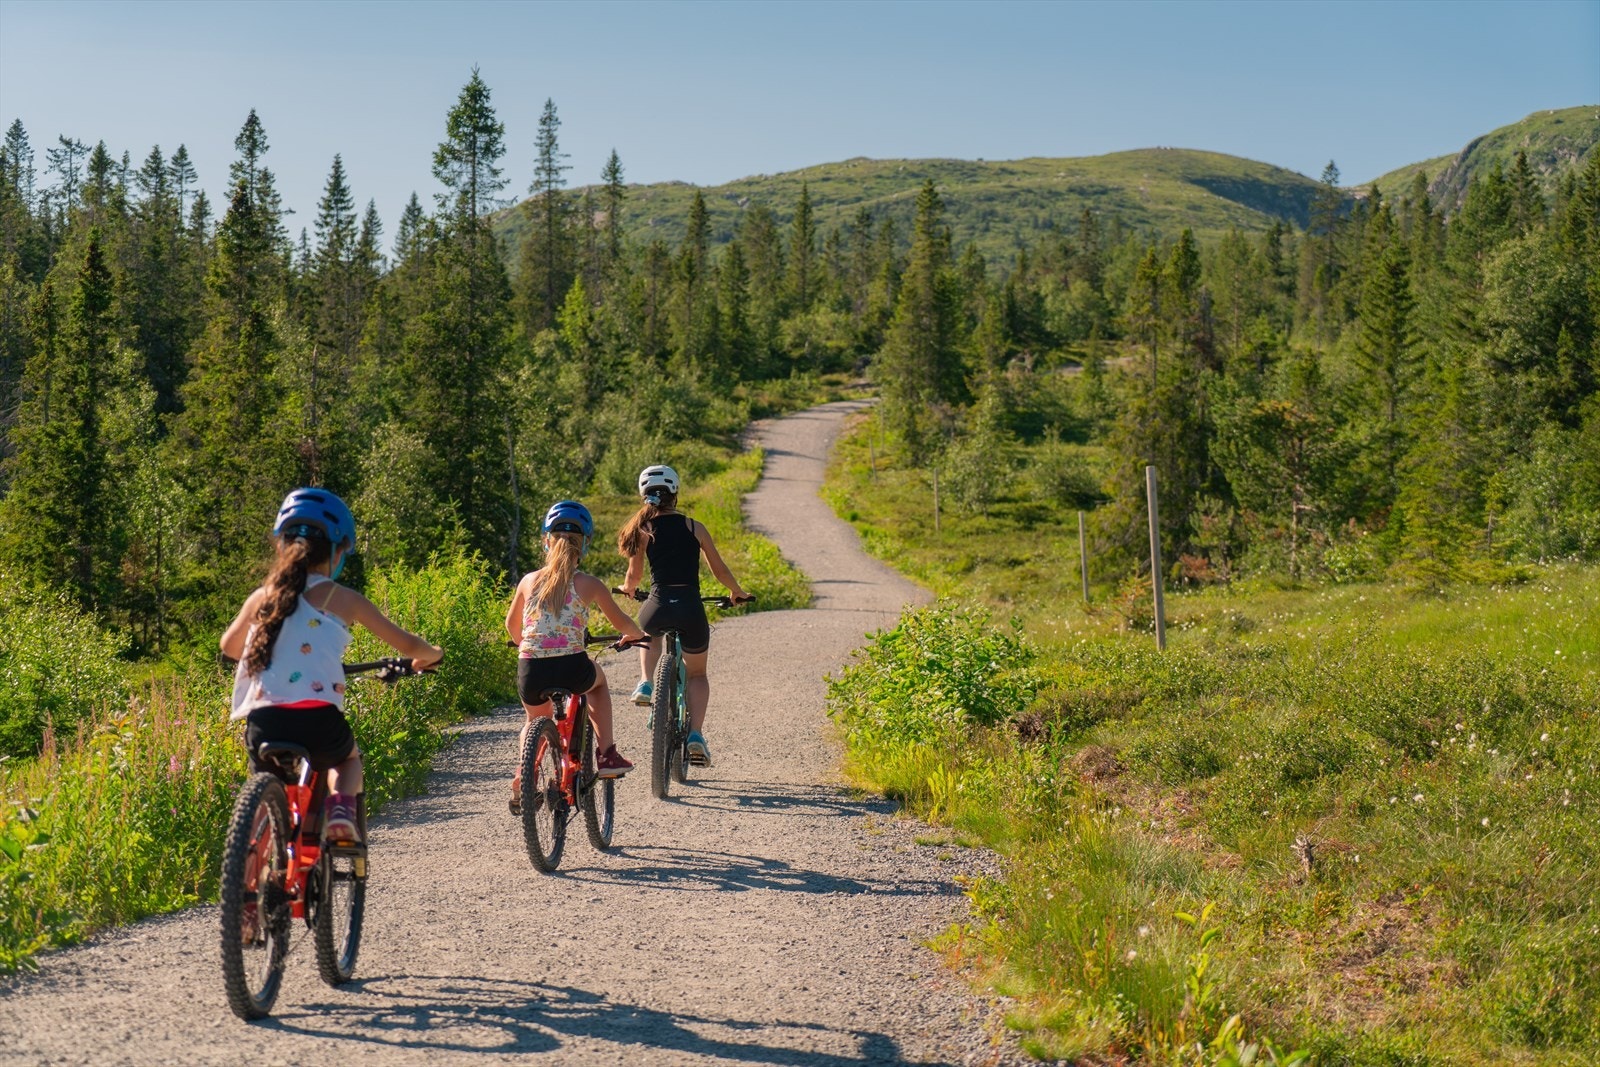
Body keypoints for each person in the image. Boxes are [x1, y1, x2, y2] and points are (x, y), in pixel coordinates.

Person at [221, 488, 443, 845]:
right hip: (318, 721)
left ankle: (259, 864)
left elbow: (229, 647)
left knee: (269, 792)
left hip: (264, 721)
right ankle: (340, 810)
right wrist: (431, 653)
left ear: (281, 545)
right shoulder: (343, 599)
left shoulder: (263, 597)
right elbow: (408, 645)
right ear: (339, 551)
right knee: (347, 761)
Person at [507, 500, 648, 814]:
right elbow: (622, 623)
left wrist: (526, 644)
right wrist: (636, 634)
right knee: (597, 683)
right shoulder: (589, 584)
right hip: (572, 667)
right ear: (584, 543)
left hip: (531, 668)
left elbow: (511, 625)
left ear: (546, 539)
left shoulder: (529, 581)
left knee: (534, 721)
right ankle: (608, 754)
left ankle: (524, 774)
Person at [617, 464, 751, 768]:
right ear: (675, 494)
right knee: (698, 674)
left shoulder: (644, 529)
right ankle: (695, 734)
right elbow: (720, 571)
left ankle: (645, 682)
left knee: (650, 635)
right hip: (690, 607)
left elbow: (634, 575)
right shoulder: (694, 527)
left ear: (644, 496)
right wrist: (737, 591)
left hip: (657, 604)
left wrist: (628, 588)